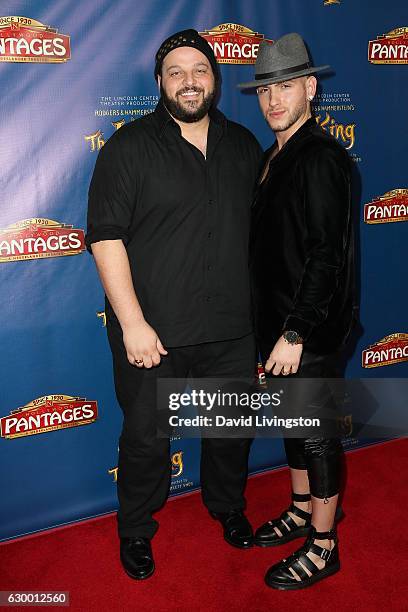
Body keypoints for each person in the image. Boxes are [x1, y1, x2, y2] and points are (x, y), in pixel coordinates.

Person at [86, 29, 263, 580]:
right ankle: (136, 529)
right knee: (146, 439)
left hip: (232, 329)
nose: (190, 81)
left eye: (200, 70)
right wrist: (132, 322)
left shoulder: (244, 146)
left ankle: (228, 508)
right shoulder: (129, 146)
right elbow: (106, 237)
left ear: (216, 78)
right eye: (177, 72)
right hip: (154, 333)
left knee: (231, 430)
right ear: (160, 83)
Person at [238, 33, 356, 589]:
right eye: (265, 89)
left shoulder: (323, 158)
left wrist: (297, 331)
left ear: (310, 87)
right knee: (294, 425)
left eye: (286, 85)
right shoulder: (273, 157)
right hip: (279, 329)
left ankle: (324, 543)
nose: (274, 99)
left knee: (316, 433)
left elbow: (327, 255)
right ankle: (302, 507)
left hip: (307, 330)